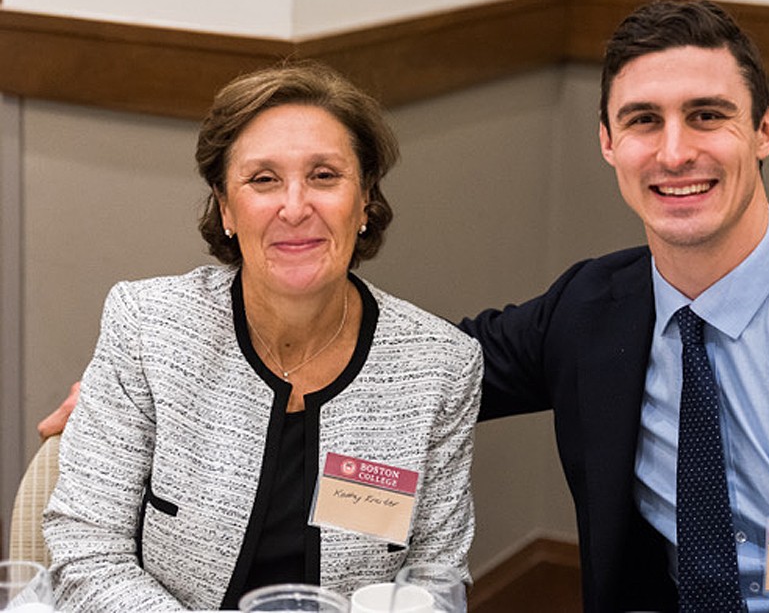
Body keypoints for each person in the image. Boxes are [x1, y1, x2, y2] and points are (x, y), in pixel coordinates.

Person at [41, 1, 769, 612]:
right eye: (642, 122)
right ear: (607, 145)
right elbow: (408, 363)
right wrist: (151, 376)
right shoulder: (594, 310)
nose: (675, 152)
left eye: (707, 115)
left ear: (765, 126)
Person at [41, 62, 482, 612]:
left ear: (365, 200)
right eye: (263, 179)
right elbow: (86, 551)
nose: (295, 208)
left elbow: (435, 581)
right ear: (225, 207)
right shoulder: (148, 328)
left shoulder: (440, 367)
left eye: (324, 176)